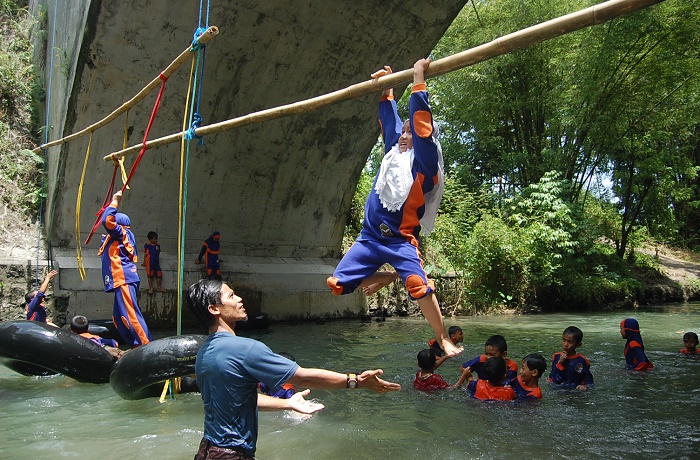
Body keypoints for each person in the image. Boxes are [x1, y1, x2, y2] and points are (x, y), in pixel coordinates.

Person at [326, 58, 460, 359]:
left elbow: (422, 128)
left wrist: (418, 77)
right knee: (338, 285)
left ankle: (442, 338)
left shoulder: (425, 165)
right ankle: (386, 276)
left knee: (418, 285)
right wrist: (388, 85)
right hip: (370, 238)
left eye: (409, 133)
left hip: (401, 241)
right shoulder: (392, 153)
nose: (403, 135)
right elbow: (389, 120)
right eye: (403, 132)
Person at [187, 278, 401, 459]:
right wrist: (356, 381)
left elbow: (238, 399)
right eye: (231, 296)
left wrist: (288, 403)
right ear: (214, 308)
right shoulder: (244, 349)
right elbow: (304, 377)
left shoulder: (204, 352)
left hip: (207, 450)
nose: (239, 299)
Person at [98, 190, 152, 347]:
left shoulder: (120, 232)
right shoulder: (118, 236)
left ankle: (146, 346)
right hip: (121, 280)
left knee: (130, 315)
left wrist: (115, 200)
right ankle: (135, 345)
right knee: (118, 318)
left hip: (124, 278)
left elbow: (106, 220)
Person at [548, 326, 594, 390]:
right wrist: (560, 363)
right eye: (564, 340)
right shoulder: (556, 356)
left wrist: (585, 386)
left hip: (574, 390)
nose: (565, 344)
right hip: (559, 389)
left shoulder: (581, 360)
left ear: (578, 344)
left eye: (570, 342)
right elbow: (555, 380)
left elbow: (589, 381)